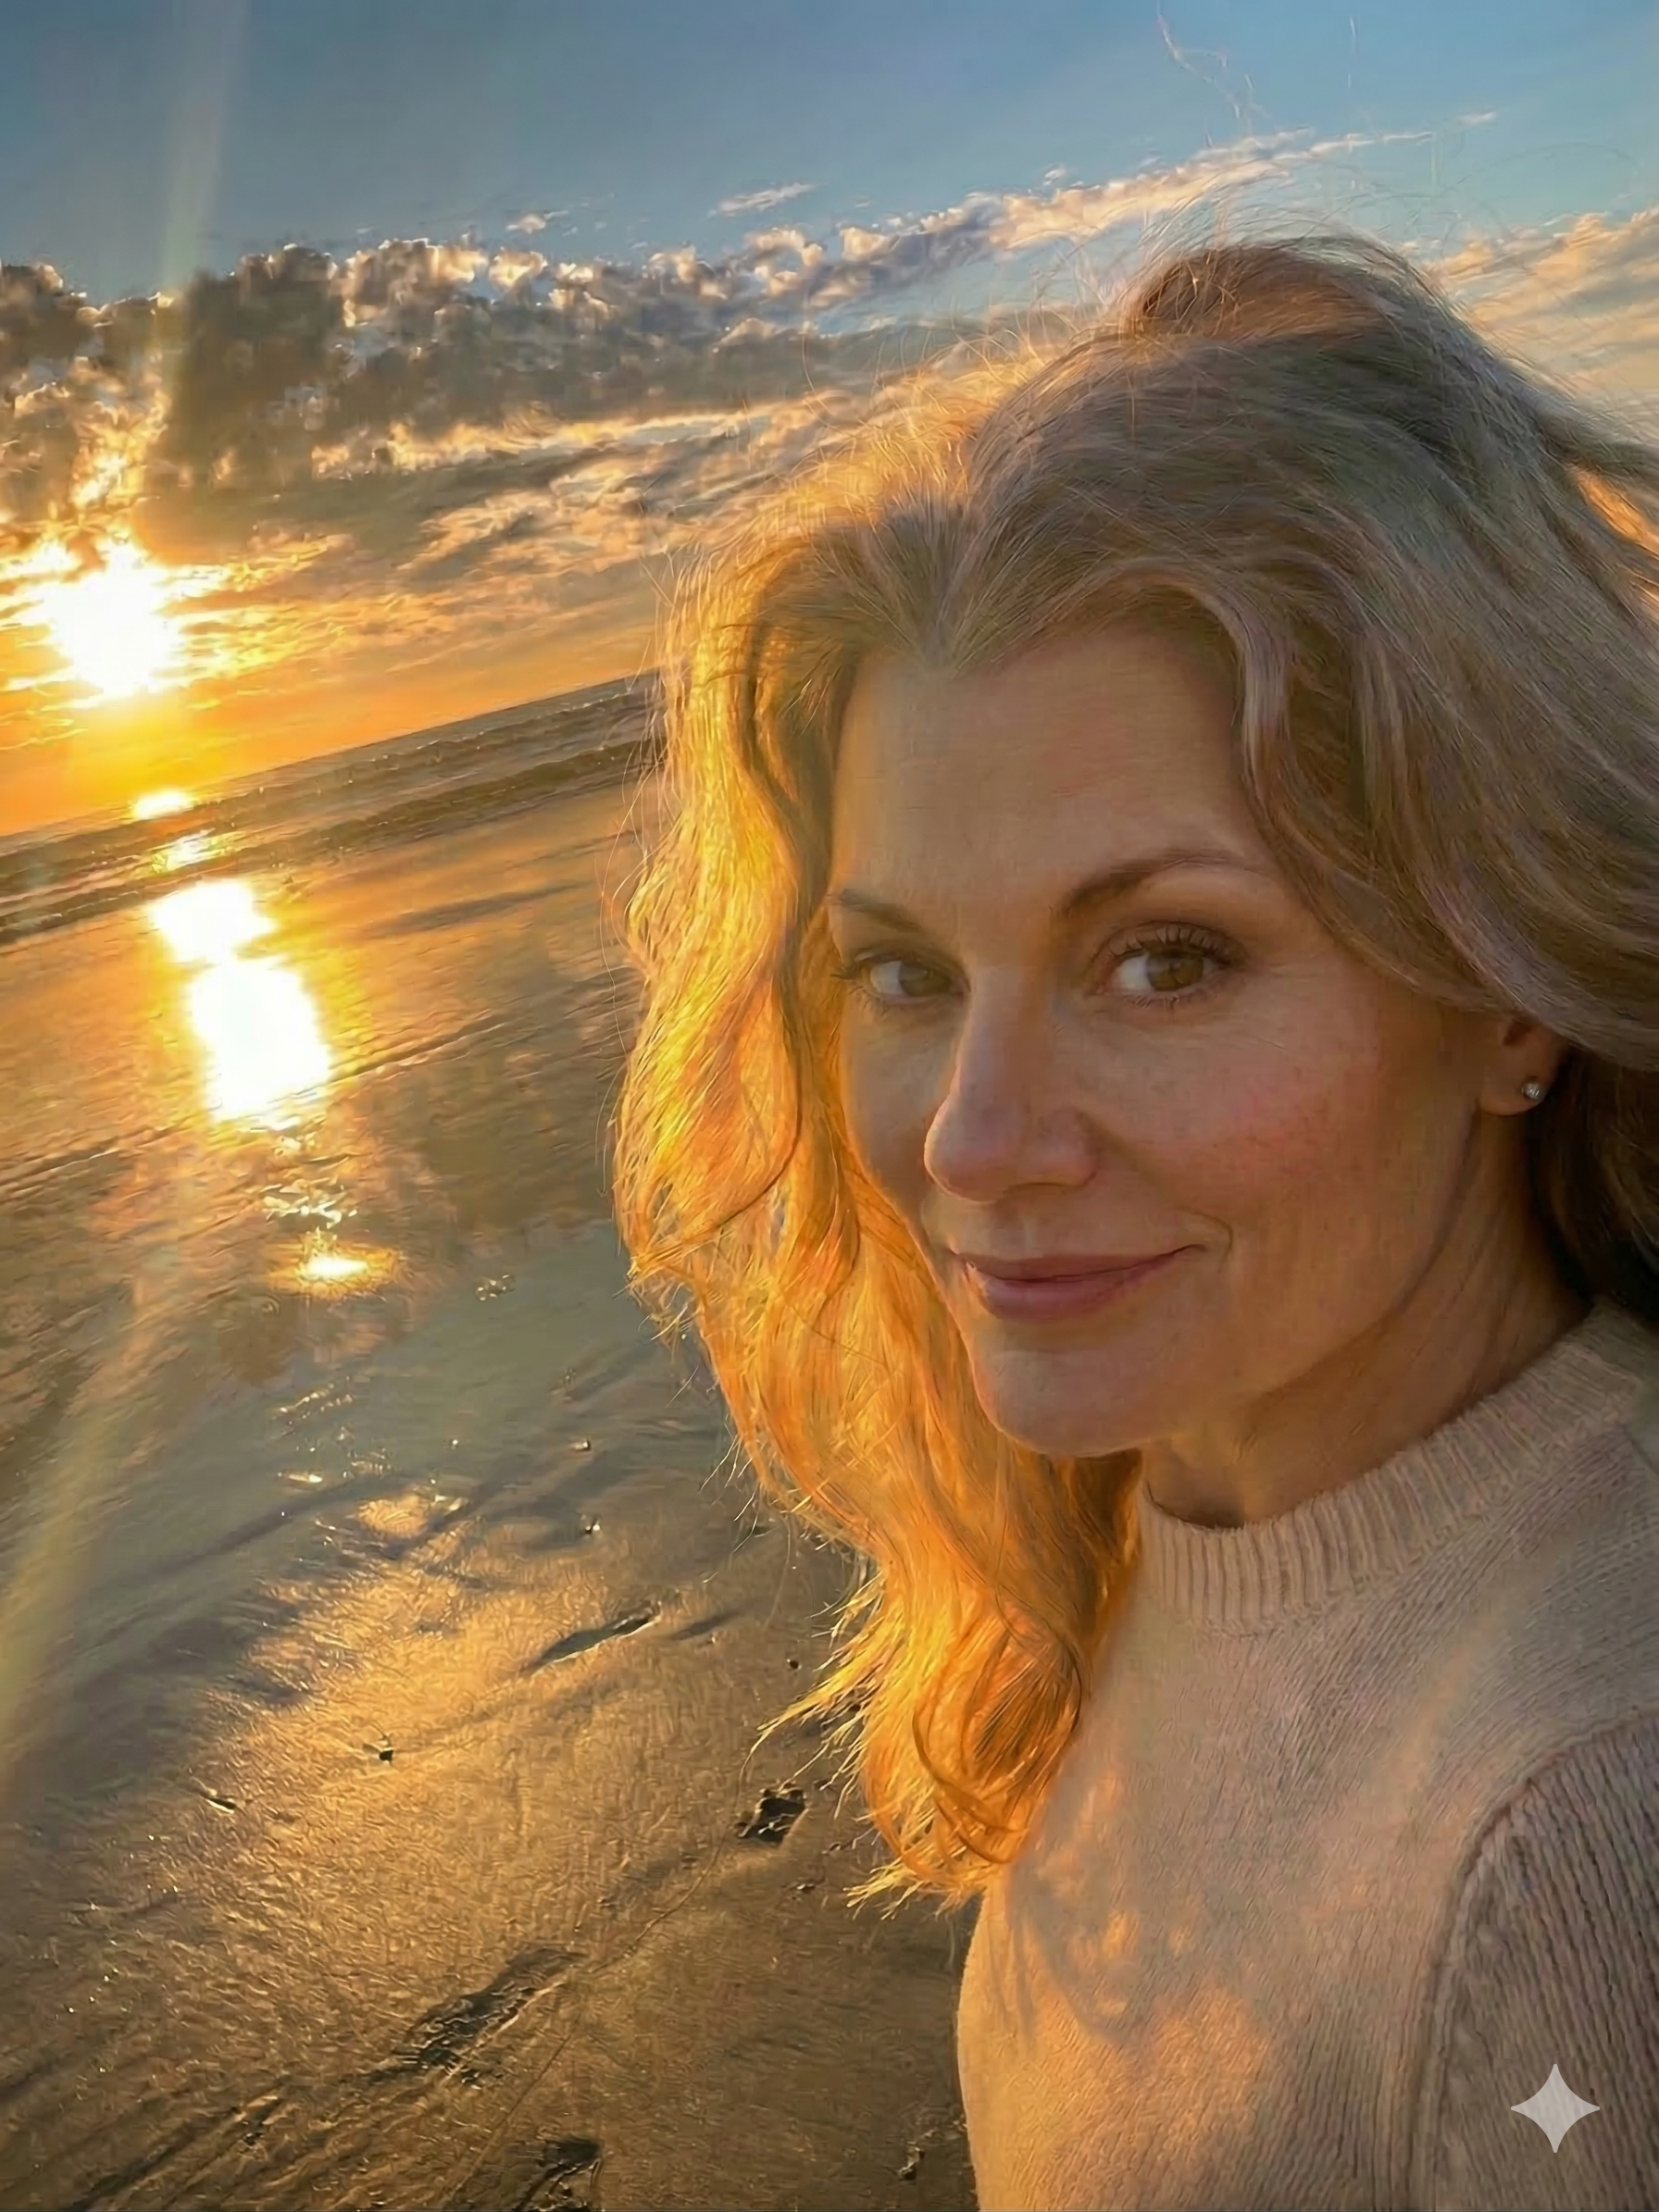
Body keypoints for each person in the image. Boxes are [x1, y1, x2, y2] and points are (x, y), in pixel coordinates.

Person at [608, 231, 1659, 2210]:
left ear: (1506, 982)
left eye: (1164, 960)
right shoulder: (1170, 1508)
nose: (974, 1140)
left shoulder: (1584, 1831)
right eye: (906, 974)